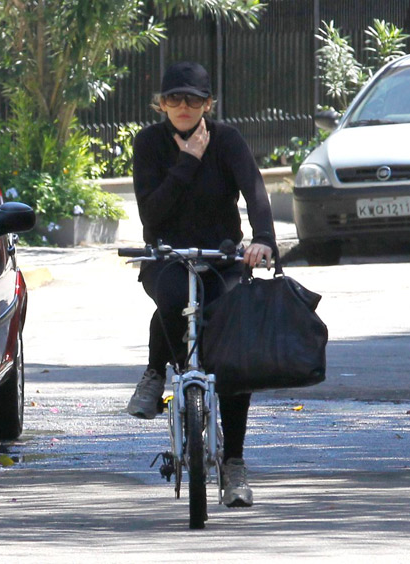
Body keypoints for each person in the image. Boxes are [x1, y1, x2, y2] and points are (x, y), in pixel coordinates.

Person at [125, 61, 276, 508]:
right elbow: (152, 215)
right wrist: (187, 161)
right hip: (167, 255)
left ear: (209, 104)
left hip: (222, 256)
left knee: (231, 345)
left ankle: (234, 464)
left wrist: (263, 240)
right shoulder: (150, 144)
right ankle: (156, 373)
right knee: (171, 298)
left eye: (194, 99)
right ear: (161, 104)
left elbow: (255, 191)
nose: (184, 106)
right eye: (175, 98)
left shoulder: (227, 140)